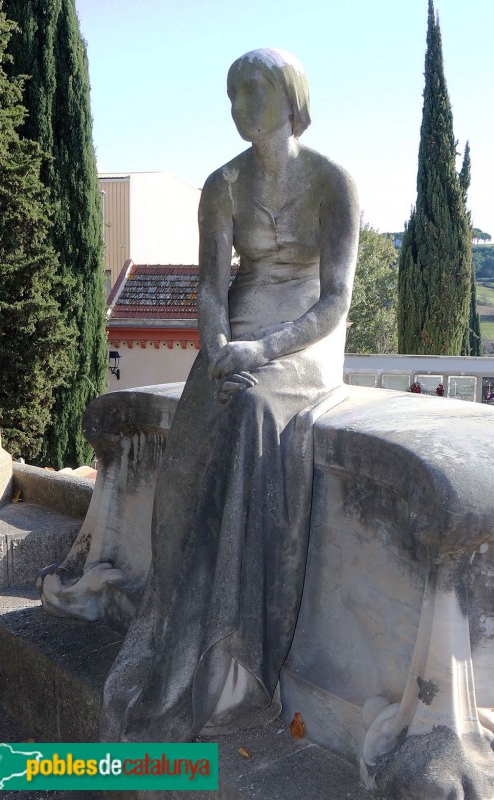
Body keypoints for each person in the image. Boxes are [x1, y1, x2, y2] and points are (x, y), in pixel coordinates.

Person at [101, 47, 360, 742]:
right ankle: (175, 629)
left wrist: (262, 352)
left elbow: (336, 300)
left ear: (291, 96)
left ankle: (229, 659)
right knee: (188, 454)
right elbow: (211, 289)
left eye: (254, 90)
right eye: (232, 94)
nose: (241, 106)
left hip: (303, 340)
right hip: (235, 333)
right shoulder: (222, 184)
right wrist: (217, 349)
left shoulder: (334, 182)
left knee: (249, 409)